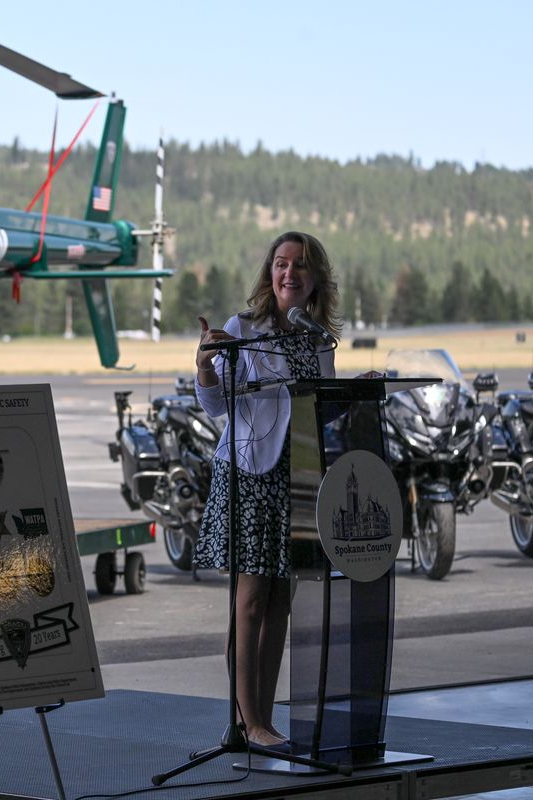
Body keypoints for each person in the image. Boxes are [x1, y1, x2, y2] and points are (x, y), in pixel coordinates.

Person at [193, 231, 340, 748]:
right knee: (251, 600)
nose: (289, 273)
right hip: (251, 477)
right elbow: (216, 408)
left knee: (281, 602)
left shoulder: (317, 338)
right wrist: (205, 365)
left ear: (315, 278)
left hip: (297, 481)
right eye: (281, 264)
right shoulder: (244, 328)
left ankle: (264, 719)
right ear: (269, 273)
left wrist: (352, 392)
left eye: (300, 265)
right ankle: (247, 721)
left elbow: (314, 410)